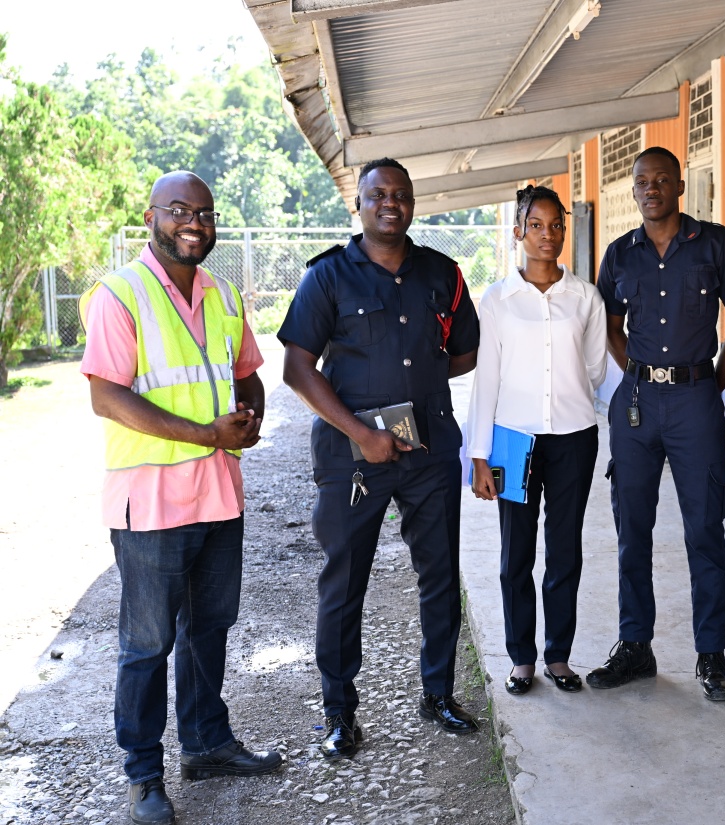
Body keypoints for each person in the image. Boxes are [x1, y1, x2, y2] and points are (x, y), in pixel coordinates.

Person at [80, 171, 283, 825]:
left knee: (209, 628)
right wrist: (205, 433)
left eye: (205, 212)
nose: (194, 221)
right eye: (179, 210)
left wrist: (248, 420)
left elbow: (248, 372)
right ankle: (144, 776)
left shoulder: (224, 295)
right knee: (146, 644)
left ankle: (205, 743)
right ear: (151, 217)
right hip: (153, 503)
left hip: (220, 497)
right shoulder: (121, 294)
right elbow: (105, 394)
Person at [278, 157, 481, 757]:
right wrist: (363, 431)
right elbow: (296, 368)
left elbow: (464, 353)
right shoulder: (329, 277)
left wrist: (413, 391)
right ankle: (339, 711)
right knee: (344, 584)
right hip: (353, 458)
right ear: (359, 205)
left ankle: (438, 693)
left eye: (400, 194)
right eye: (377, 195)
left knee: (440, 577)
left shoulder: (443, 274)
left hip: (430, 449)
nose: (390, 203)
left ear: (412, 203)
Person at [588, 146, 725, 701]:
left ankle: (711, 655)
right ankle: (636, 646)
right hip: (635, 406)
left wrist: (719, 375)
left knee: (704, 530)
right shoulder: (619, 254)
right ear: (633, 191)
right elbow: (609, 321)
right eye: (641, 182)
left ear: (680, 187)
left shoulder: (716, 244)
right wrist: (633, 367)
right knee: (632, 529)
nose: (651, 189)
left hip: (696, 402)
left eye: (661, 180)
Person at [467, 185, 607, 695]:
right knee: (515, 554)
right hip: (514, 441)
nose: (547, 235)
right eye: (536, 225)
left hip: (573, 438)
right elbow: (487, 378)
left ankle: (559, 656)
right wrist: (478, 455)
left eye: (556, 225)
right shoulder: (499, 299)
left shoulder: (585, 297)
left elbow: (593, 368)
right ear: (518, 231)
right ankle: (521, 658)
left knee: (565, 551)